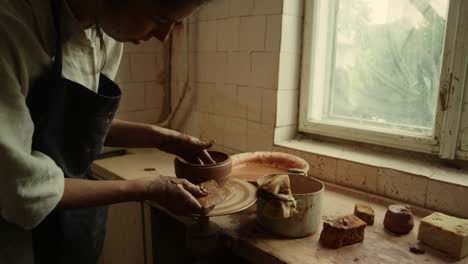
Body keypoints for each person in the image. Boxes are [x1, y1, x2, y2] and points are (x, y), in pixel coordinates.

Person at [0, 0, 212, 263]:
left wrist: (164, 138)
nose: (164, 37)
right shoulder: (10, 27)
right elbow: (21, 190)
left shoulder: (107, 35)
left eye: (174, 24)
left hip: (67, 215)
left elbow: (76, 126)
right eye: (160, 19)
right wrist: (147, 188)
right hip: (13, 232)